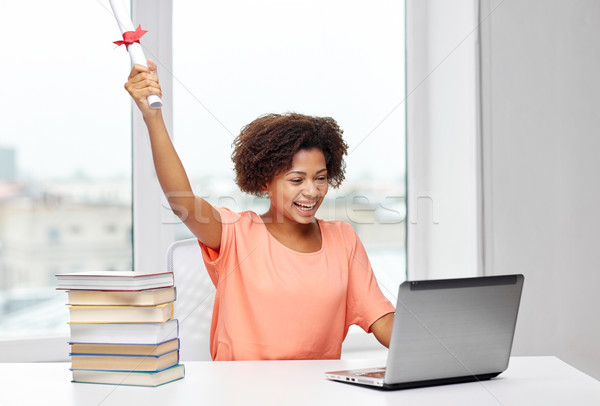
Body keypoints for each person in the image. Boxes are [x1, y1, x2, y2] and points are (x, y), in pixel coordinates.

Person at [125, 60, 395, 361]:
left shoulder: (343, 238)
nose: (312, 191)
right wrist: (153, 118)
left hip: (319, 392)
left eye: (320, 178)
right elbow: (182, 202)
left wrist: (435, 340)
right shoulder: (235, 234)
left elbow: (380, 318)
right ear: (266, 182)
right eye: (297, 180)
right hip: (243, 393)